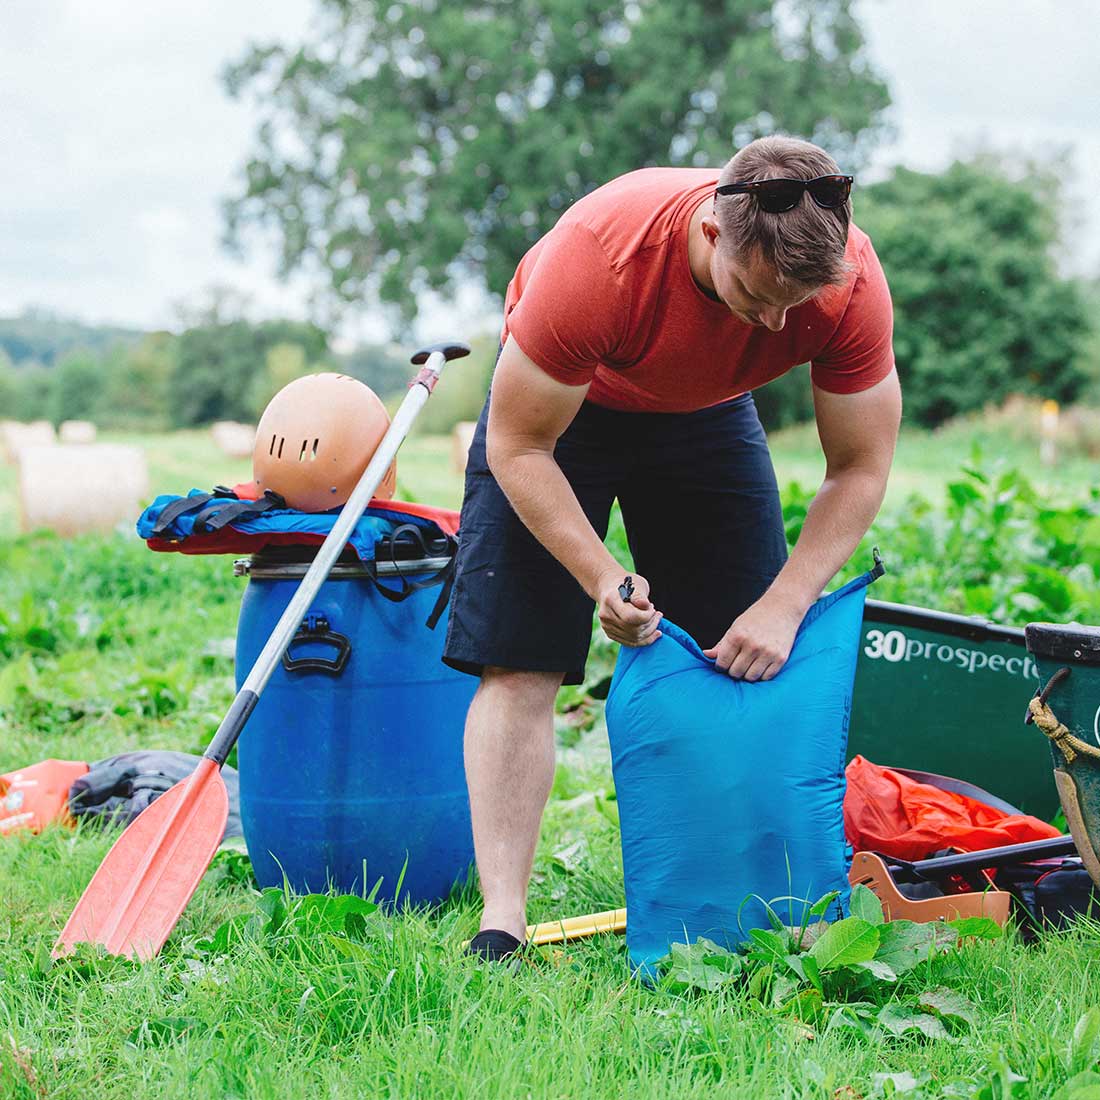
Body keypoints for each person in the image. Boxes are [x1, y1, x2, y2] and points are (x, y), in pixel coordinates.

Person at [443, 135, 903, 961]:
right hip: (561, 418)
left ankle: (728, 899)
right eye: (755, 297)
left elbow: (861, 466)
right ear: (711, 232)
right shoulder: (601, 261)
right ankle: (501, 920)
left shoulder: (848, 284)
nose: (774, 324)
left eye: (796, 306)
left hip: (705, 417)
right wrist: (602, 578)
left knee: (743, 658)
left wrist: (785, 602)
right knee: (520, 658)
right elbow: (518, 447)